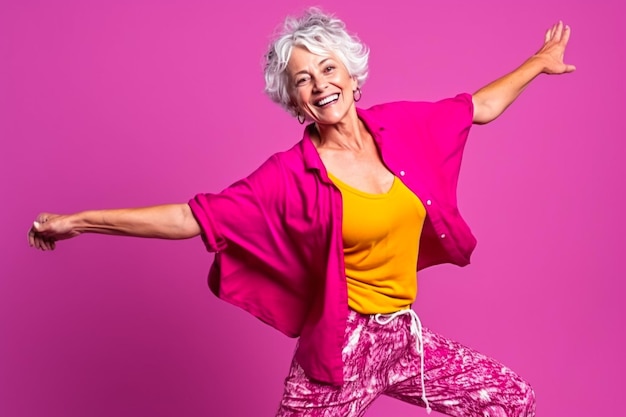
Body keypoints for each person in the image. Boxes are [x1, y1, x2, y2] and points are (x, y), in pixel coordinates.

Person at [28, 7, 574, 417]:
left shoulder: (403, 128)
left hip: (404, 340)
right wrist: (77, 221)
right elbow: (191, 219)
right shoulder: (289, 176)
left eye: (328, 68)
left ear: (354, 76)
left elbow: (478, 108)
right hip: (341, 349)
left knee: (510, 398)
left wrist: (537, 63)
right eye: (303, 80)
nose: (320, 84)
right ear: (295, 104)